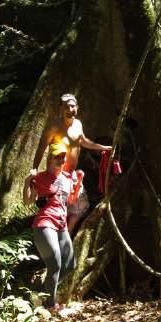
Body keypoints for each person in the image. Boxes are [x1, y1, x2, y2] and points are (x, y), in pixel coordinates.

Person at [32, 93, 111, 232]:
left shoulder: (78, 125)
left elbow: (83, 141)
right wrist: (34, 169)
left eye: (72, 106)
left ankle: (67, 233)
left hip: (71, 174)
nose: (70, 109)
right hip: (57, 176)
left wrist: (102, 147)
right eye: (66, 107)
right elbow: (41, 148)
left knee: (81, 205)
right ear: (61, 109)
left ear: (77, 107)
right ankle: (50, 235)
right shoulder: (54, 127)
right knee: (57, 208)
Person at [23, 142, 82, 311]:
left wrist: (78, 183)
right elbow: (27, 202)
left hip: (61, 225)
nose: (61, 159)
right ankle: (51, 305)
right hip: (44, 224)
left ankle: (43, 293)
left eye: (63, 156)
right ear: (49, 158)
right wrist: (27, 182)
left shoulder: (67, 177)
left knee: (70, 265)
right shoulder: (40, 178)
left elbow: (71, 200)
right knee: (55, 264)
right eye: (57, 156)